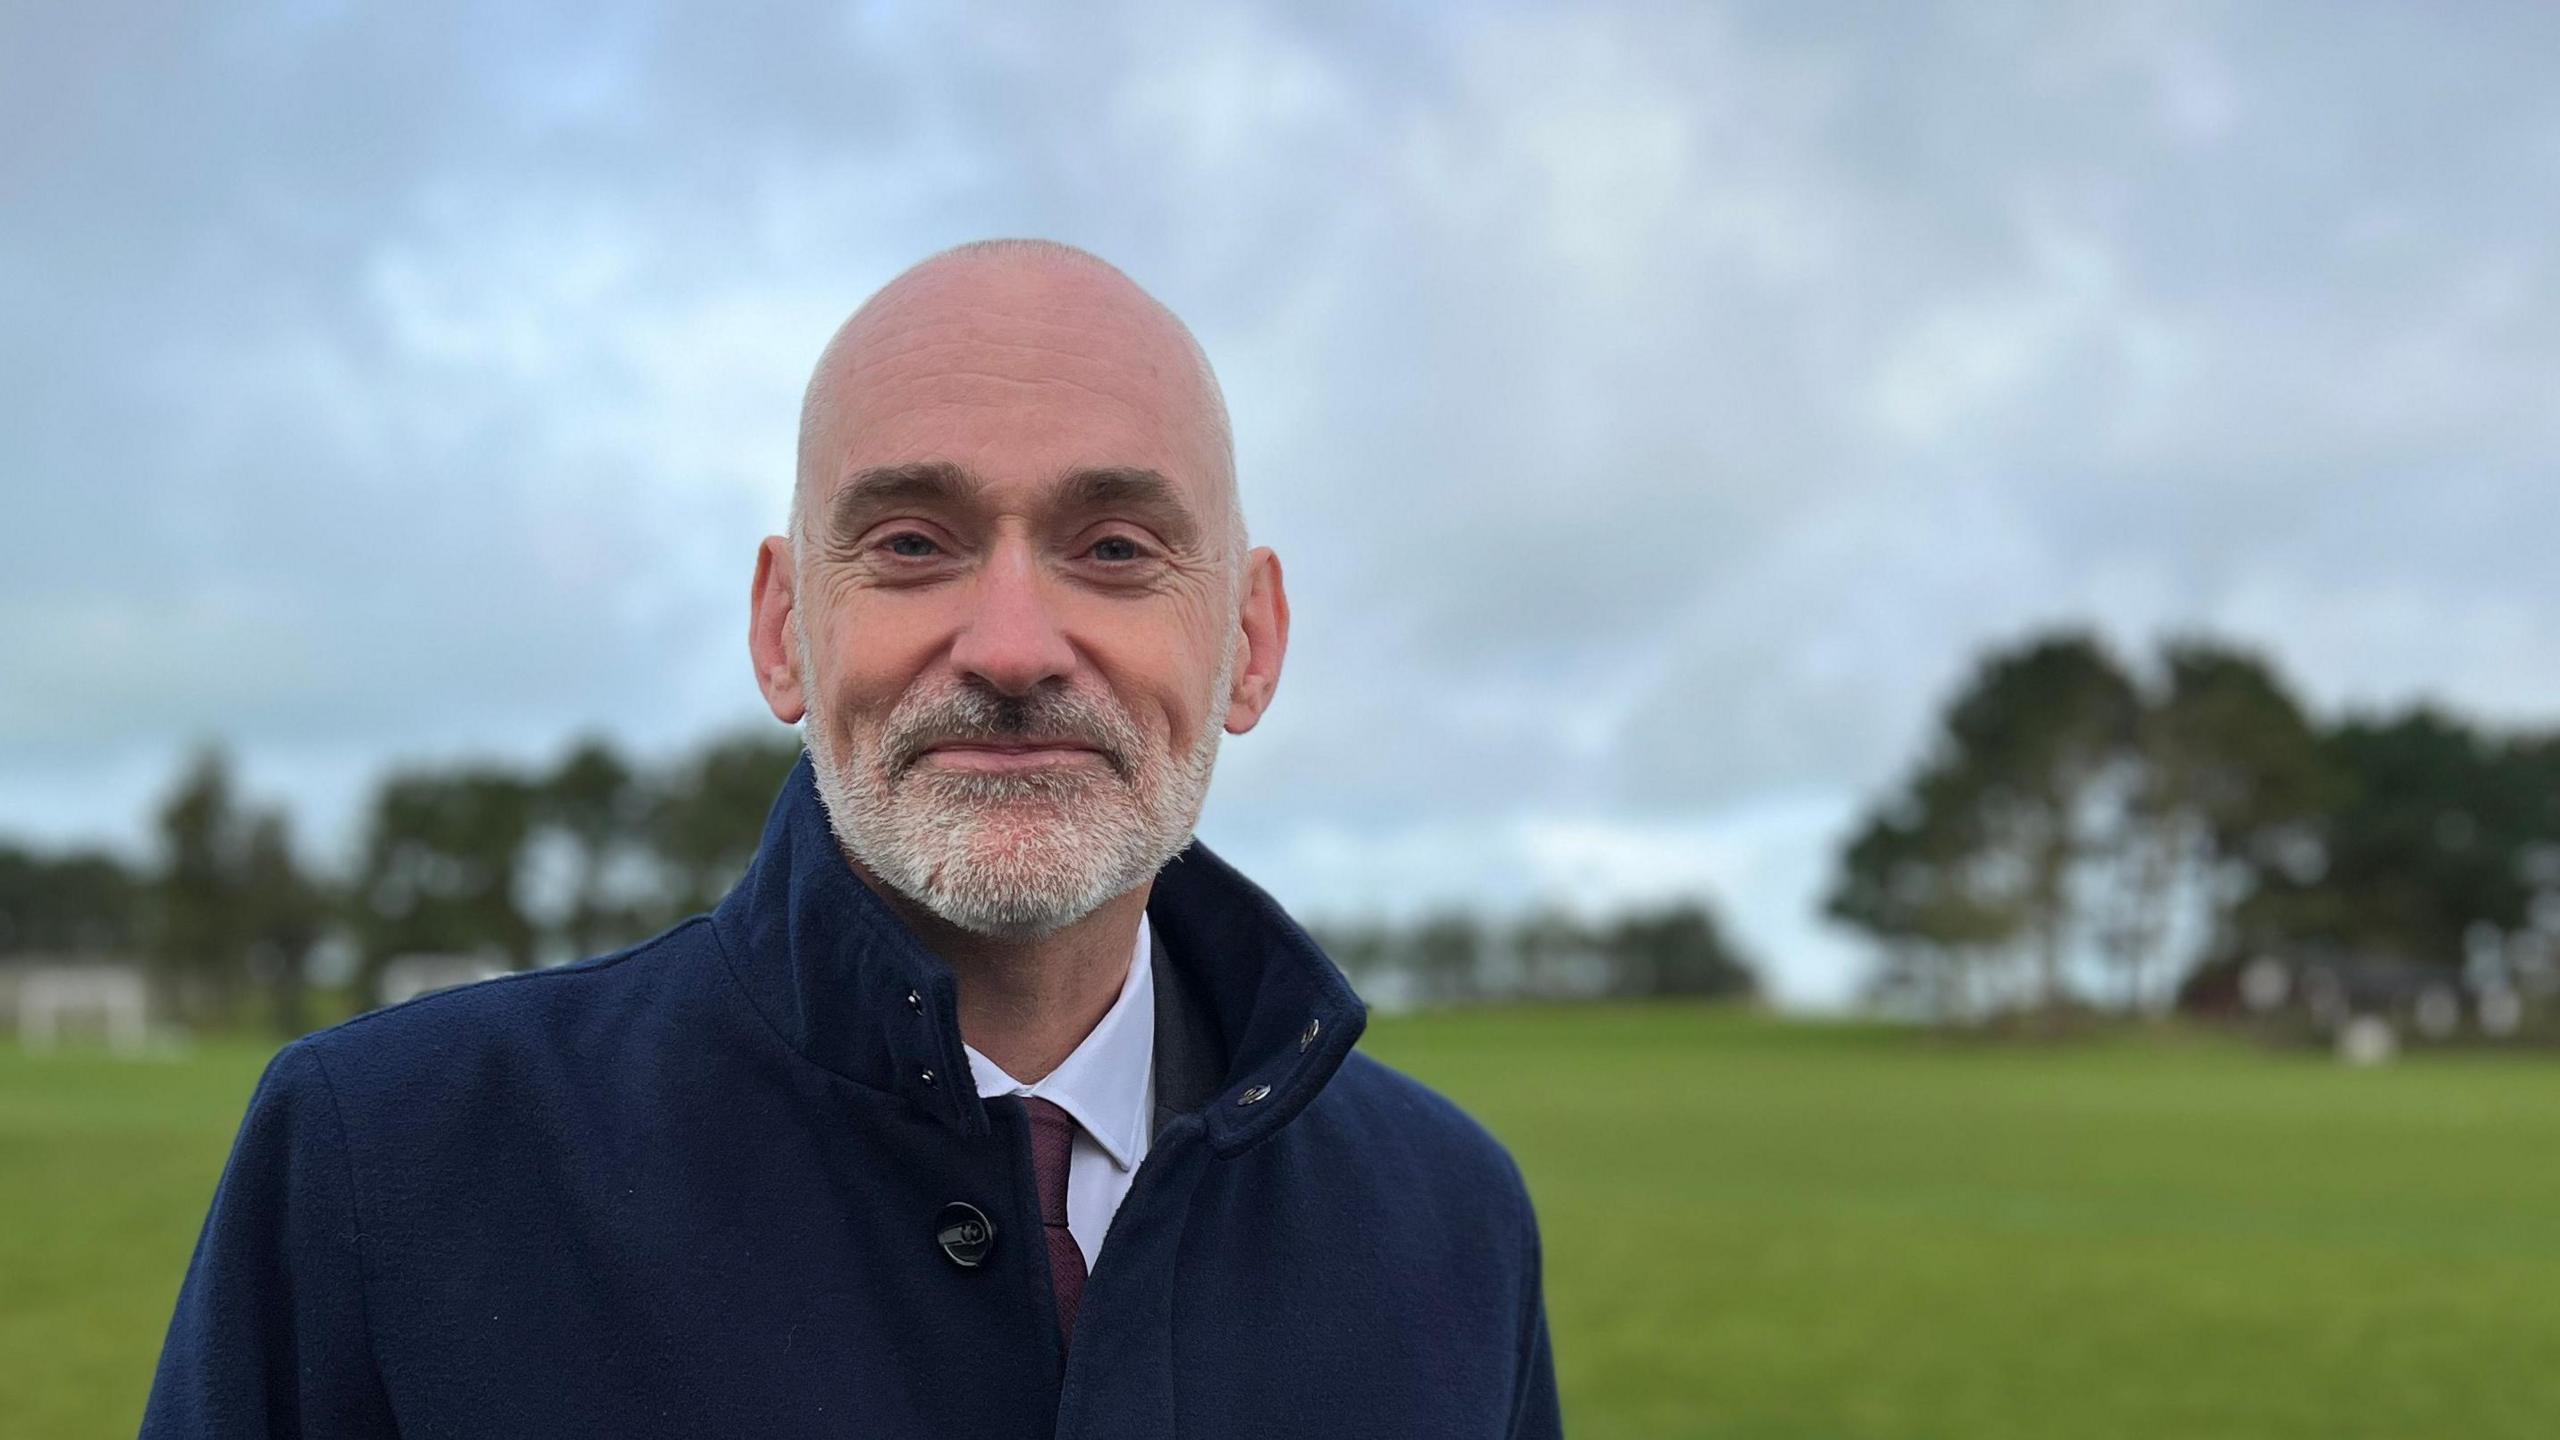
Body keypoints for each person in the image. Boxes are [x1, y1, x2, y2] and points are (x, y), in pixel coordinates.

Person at [141, 239, 1562, 1439]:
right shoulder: (383, 1163)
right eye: (910, 544)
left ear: (1250, 643)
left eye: (1117, 547)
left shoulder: (1449, 1223)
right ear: (783, 632)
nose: (1011, 648)